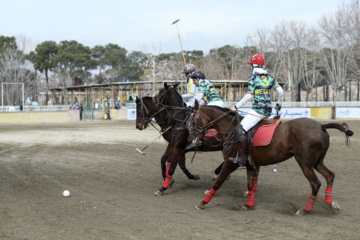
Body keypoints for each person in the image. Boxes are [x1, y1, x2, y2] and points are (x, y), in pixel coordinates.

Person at [229, 54, 284, 166]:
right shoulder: (270, 77)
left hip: (258, 112)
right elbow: (281, 92)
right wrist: (279, 104)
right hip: (268, 112)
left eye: (251, 65)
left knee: (240, 129)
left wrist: (236, 106)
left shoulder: (253, 78)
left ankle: (242, 158)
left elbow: (249, 96)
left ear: (254, 66)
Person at [185, 70, 225, 150]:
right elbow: (203, 101)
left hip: (215, 104)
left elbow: (198, 98)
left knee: (199, 117)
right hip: (218, 103)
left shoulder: (202, 83)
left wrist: (190, 106)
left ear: (198, 79)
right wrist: (196, 106)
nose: (193, 82)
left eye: (194, 80)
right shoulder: (207, 83)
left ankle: (197, 140)